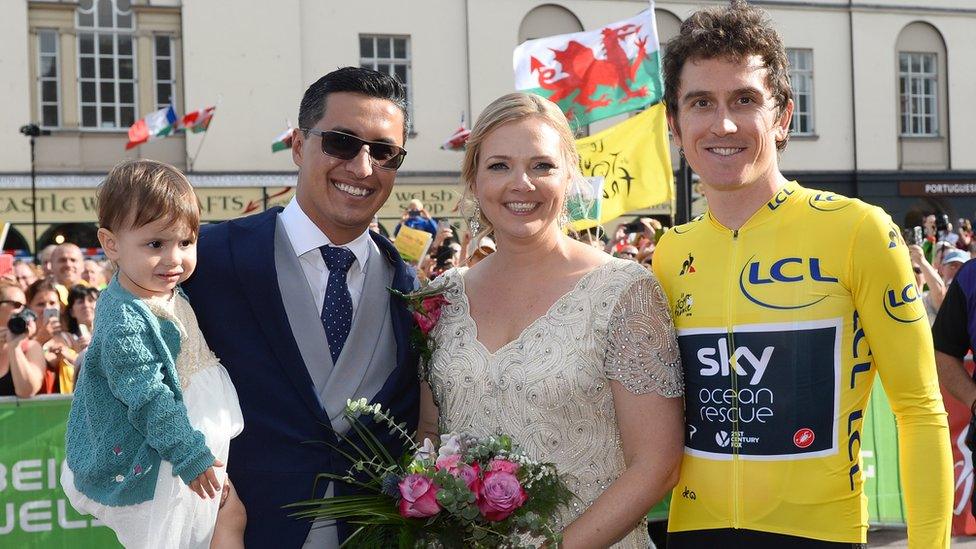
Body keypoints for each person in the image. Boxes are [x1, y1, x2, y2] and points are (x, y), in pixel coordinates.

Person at [654, 1, 951, 547]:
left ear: (783, 115)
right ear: (674, 124)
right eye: (701, 103)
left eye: (745, 99)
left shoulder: (859, 230)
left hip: (823, 533)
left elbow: (919, 410)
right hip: (695, 532)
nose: (723, 124)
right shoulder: (669, 253)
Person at [419, 92, 684, 547]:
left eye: (542, 166)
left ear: (569, 177)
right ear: (474, 179)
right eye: (499, 165)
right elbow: (429, 436)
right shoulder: (440, 298)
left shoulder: (624, 291)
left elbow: (657, 466)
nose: (521, 183)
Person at [182, 66, 420, 548]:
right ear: (297, 145)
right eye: (340, 142)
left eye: (384, 152)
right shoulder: (208, 261)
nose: (362, 167)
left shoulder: (410, 287)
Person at [61, 159, 245, 548]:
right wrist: (188, 454)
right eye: (155, 244)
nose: (174, 258)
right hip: (162, 456)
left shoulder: (162, 291)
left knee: (227, 519)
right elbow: (147, 397)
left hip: (186, 440)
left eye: (185, 242)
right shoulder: (124, 316)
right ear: (111, 244)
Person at [25, 278, 75, 393]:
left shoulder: (69, 339)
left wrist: (68, 357)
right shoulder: (23, 340)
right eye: (40, 304)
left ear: (60, 307)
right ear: (29, 308)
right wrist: (40, 341)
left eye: (52, 303)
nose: (47, 308)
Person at [0, 281, 47, 398]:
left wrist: (14, 346)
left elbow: (27, 391)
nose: (22, 312)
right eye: (16, 305)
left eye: (25, 307)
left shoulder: (31, 347)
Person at [64, 284, 98, 353]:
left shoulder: (110, 335)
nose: (86, 305)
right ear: (72, 312)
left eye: (90, 300)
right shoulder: (66, 339)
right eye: (80, 302)